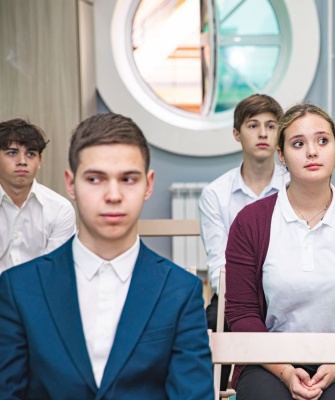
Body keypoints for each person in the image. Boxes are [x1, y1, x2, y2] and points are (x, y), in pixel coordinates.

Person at [0, 113, 213, 399]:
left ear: (148, 185)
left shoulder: (180, 291)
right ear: (71, 184)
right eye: (95, 179)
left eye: (128, 179)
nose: (113, 195)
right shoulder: (19, 288)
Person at [225, 103, 335, 400]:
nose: (312, 152)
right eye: (298, 144)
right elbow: (241, 313)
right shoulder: (250, 222)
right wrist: (285, 370)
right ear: (281, 155)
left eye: (322, 141)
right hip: (270, 361)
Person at [199, 93, 286, 389]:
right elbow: (218, 266)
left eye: (271, 126)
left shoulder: (295, 186)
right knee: (212, 323)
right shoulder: (216, 194)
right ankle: (217, 390)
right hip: (233, 294)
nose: (263, 133)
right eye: (253, 125)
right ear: (237, 133)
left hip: (287, 289)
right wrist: (246, 301)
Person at [0, 118, 76, 273]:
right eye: (12, 153)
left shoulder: (60, 209)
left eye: (30, 154)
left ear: (39, 160)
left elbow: (54, 270)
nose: (22, 161)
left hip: (39, 288)